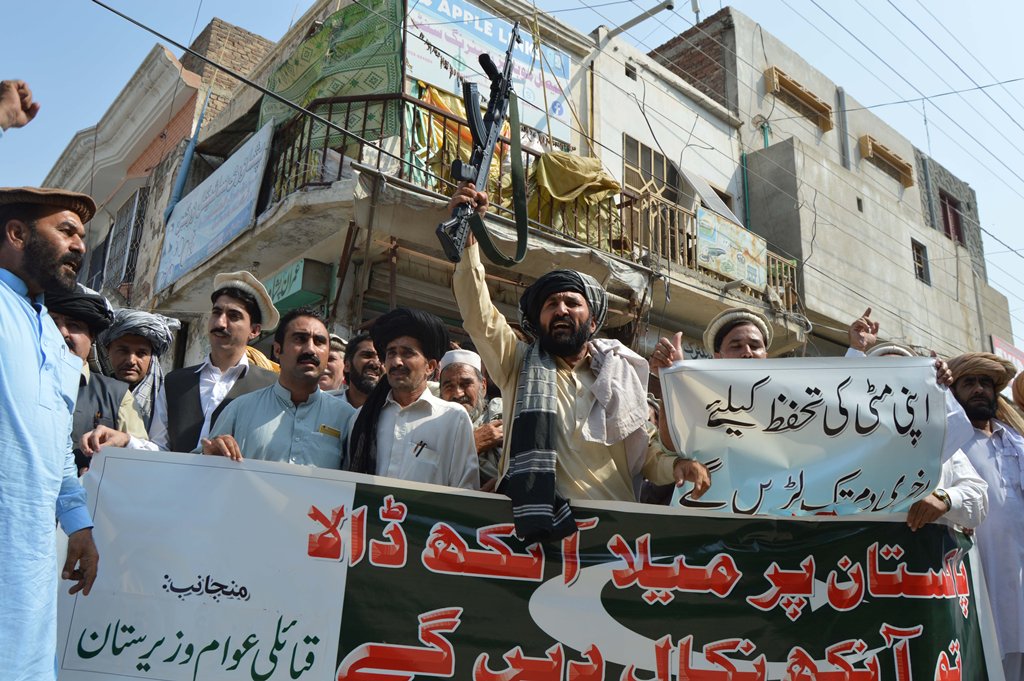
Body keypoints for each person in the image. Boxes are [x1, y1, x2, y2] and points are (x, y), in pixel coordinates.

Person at [449, 184, 709, 542]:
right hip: (536, 531)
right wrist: (470, 244)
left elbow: (647, 453)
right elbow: (479, 317)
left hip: (609, 535)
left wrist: (678, 466)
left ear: (592, 319)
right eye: (551, 304)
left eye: (573, 303)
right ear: (538, 320)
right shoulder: (517, 363)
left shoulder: (620, 373)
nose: (561, 310)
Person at [0, 186, 98, 679]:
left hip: (31, 571)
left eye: (83, 235)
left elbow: (56, 444)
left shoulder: (53, 339)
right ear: (16, 233)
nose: (80, 245)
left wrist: (78, 524)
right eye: (66, 231)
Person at [200, 307, 356, 468]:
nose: (310, 349)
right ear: (277, 350)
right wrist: (211, 455)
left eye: (319, 342)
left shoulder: (347, 418)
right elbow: (196, 468)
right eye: (300, 339)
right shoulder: (240, 410)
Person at [948, 352, 1024, 681]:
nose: (979, 389)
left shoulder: (1016, 442)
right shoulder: (951, 443)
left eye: (985, 383)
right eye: (969, 383)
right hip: (978, 573)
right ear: (954, 393)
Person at [347, 307, 479, 490]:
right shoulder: (362, 419)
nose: (396, 362)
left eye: (407, 353)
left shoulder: (453, 419)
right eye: (391, 353)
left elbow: (465, 491)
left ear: (430, 367)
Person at [149, 271, 279, 452]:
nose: (220, 323)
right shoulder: (174, 382)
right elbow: (158, 447)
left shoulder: (272, 386)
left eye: (233, 316)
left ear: (255, 330)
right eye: (216, 313)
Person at [45, 286, 151, 473]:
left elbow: (143, 463)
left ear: (92, 337)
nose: (62, 333)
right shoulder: (20, 380)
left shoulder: (116, 395)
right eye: (53, 324)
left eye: (73, 325)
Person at [98, 309, 180, 429]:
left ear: (152, 359)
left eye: (141, 353)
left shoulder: (167, 404)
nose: (131, 361)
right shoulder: (87, 391)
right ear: (107, 351)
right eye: (123, 351)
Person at [439, 348, 503, 490]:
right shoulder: (433, 428)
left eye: (466, 384)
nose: (458, 394)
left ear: (483, 387)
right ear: (440, 393)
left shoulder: (499, 413)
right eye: (449, 386)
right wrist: (471, 445)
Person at [332, 331, 382, 408]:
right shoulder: (324, 406)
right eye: (367, 355)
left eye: (382, 358)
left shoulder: (397, 413)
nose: (376, 364)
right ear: (347, 365)